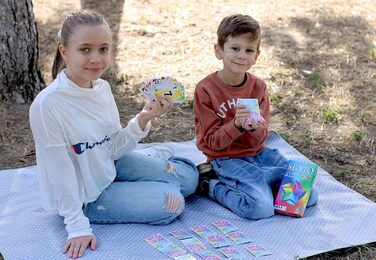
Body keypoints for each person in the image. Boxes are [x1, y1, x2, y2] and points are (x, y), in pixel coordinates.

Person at [29, 10, 198, 259]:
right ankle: (152, 164)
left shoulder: (102, 88)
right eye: (85, 49)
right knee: (172, 202)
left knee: (189, 178)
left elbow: (113, 146)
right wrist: (76, 227)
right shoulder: (47, 106)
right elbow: (59, 174)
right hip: (88, 196)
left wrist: (144, 118)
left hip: (109, 166)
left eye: (104, 49)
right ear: (64, 52)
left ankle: (151, 162)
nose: (96, 58)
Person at [194, 14, 318, 220]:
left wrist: (253, 127)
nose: (242, 55)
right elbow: (211, 143)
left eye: (249, 50)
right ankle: (210, 184)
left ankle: (263, 189)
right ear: (219, 50)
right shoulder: (206, 89)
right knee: (260, 209)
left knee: (307, 196)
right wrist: (236, 125)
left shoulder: (258, 87)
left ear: (256, 56)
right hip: (226, 159)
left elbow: (261, 137)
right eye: (235, 48)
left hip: (260, 155)